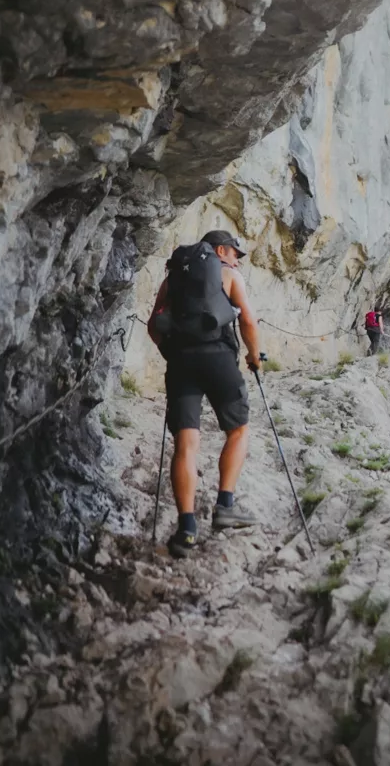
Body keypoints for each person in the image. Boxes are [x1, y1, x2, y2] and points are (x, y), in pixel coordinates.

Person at [148, 229, 263, 559]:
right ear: (221, 251)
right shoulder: (229, 276)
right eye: (235, 254)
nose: (237, 262)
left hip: (181, 364)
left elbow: (154, 326)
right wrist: (255, 357)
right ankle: (225, 504)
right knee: (238, 430)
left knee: (186, 443)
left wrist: (173, 355)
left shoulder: (172, 280)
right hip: (218, 361)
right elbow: (248, 321)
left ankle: (186, 529)